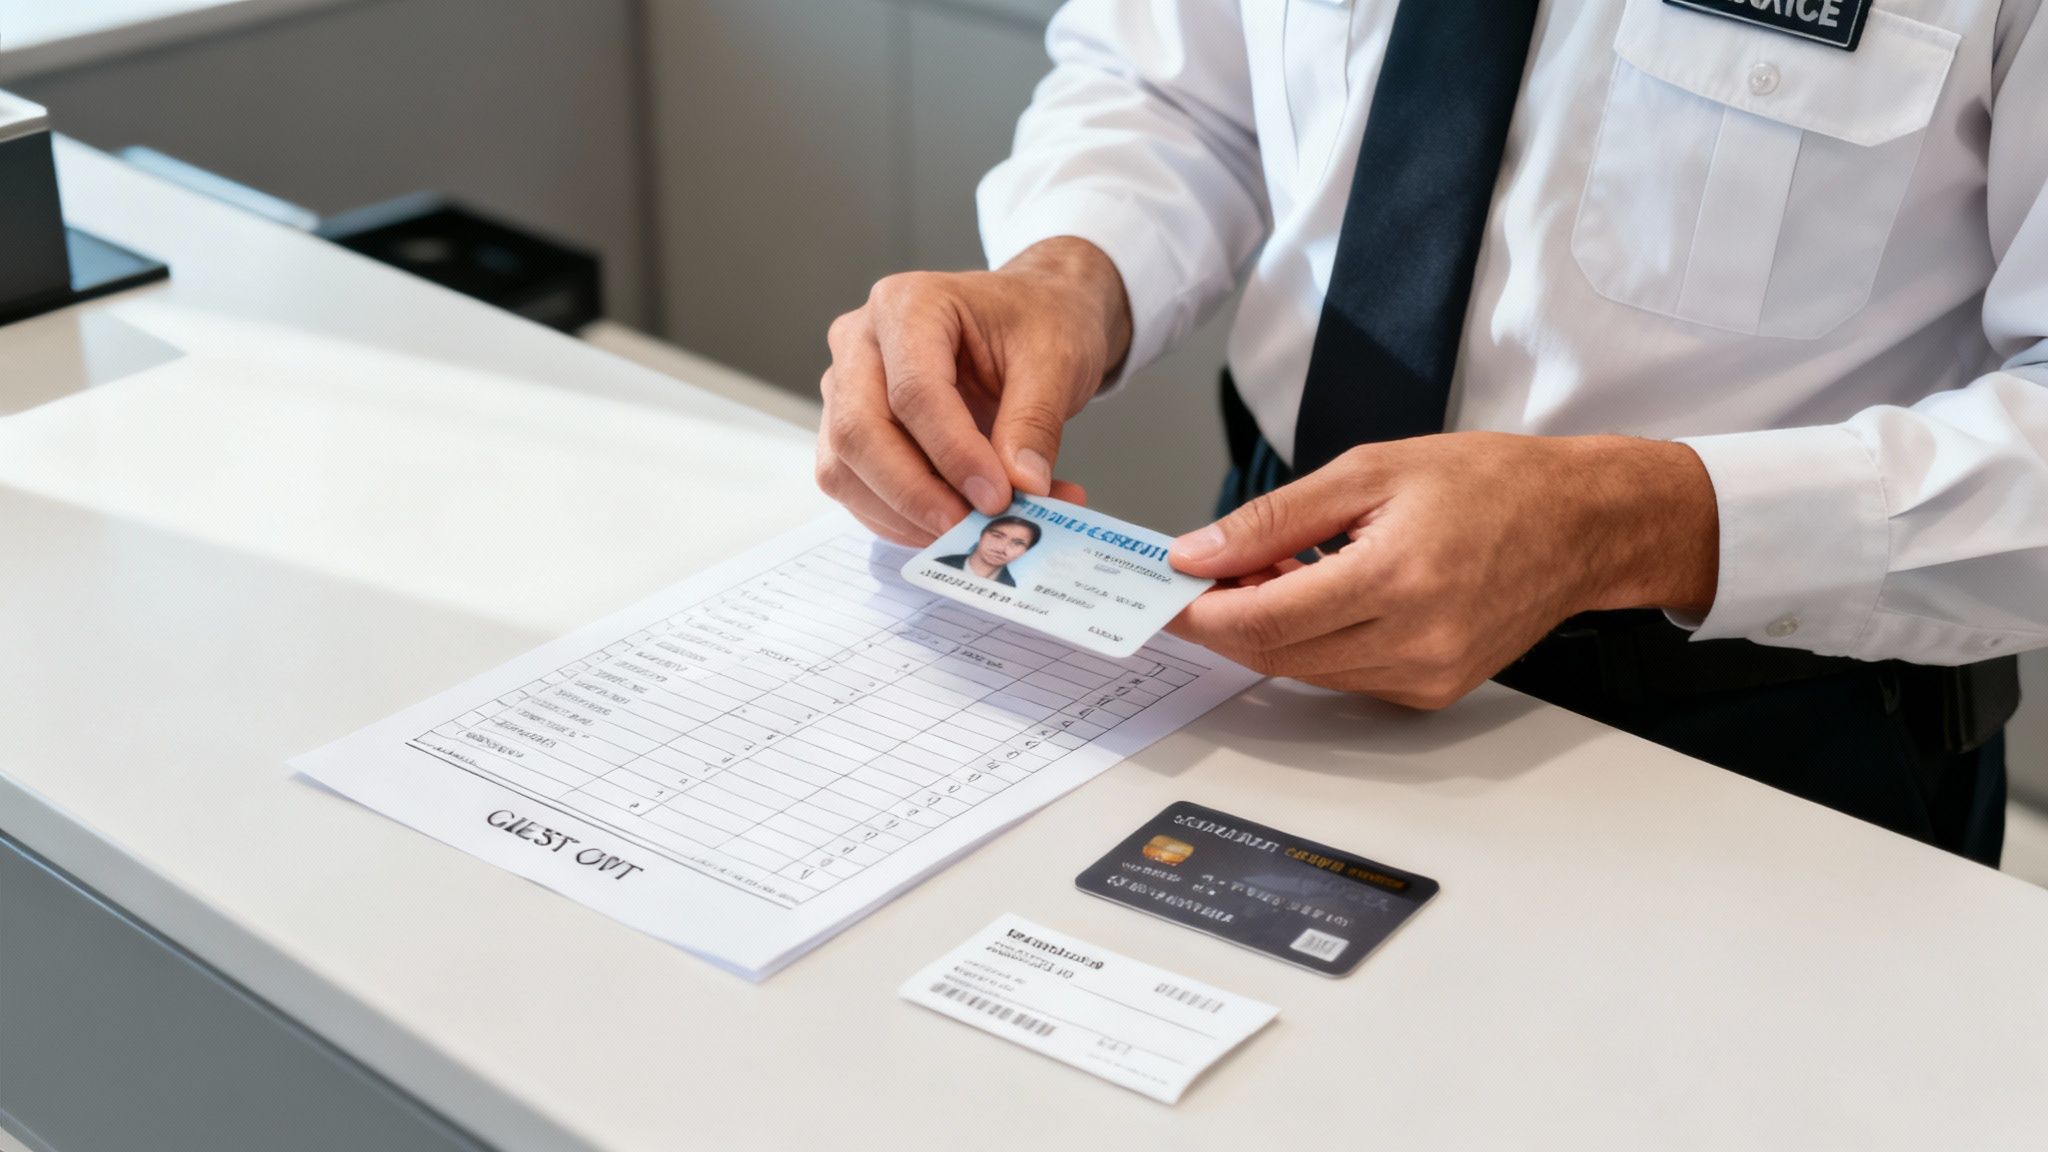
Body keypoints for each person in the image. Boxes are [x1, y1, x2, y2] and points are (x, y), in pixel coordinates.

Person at [813, 0, 2048, 864]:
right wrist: (1067, 270)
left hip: (1768, 734)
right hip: (1263, 609)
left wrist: (1625, 522)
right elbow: (1177, 86)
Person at [936, 515, 1041, 587]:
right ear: (982, 535)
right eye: (997, 536)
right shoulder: (940, 562)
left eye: (1018, 543)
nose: (1001, 549)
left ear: (1026, 551)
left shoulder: (1010, 587)